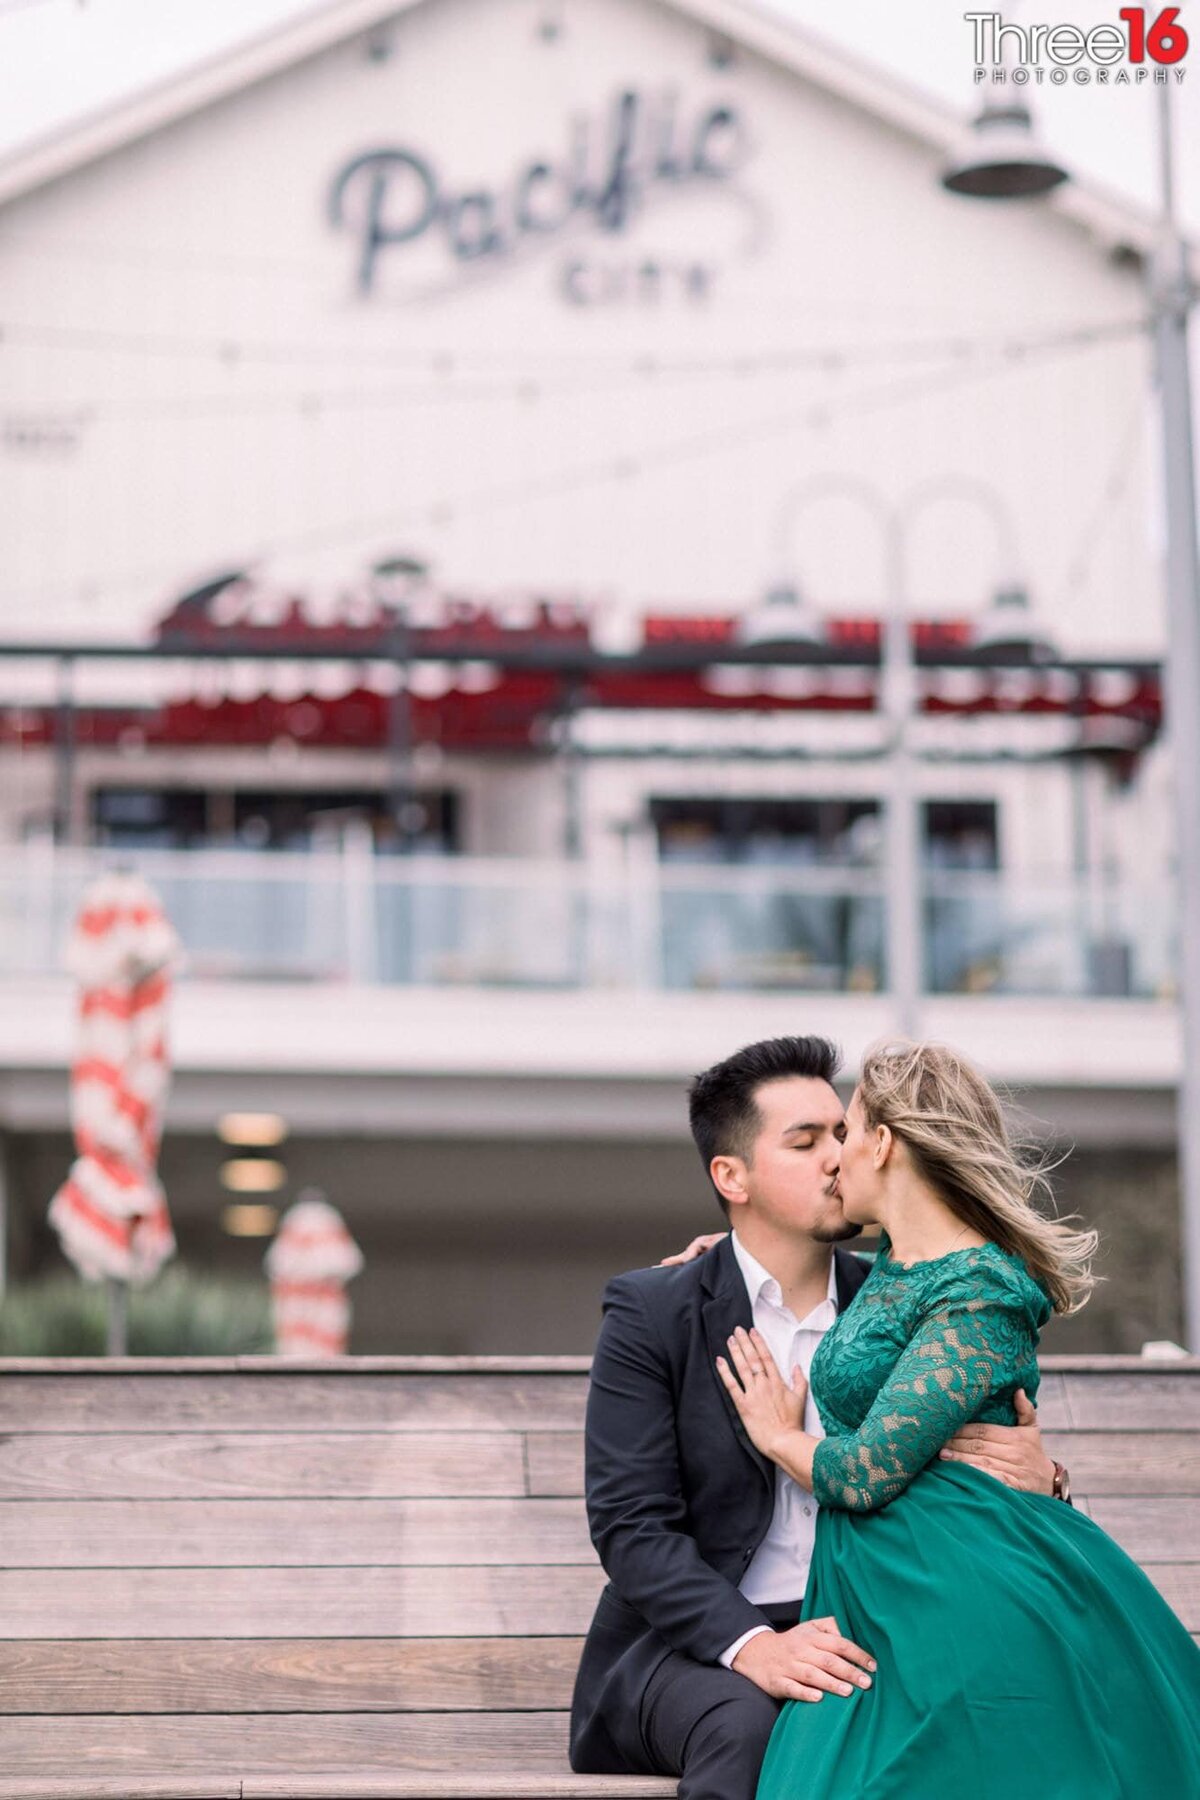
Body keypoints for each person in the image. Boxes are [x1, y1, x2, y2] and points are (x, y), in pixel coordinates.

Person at [568, 1035, 1063, 1800]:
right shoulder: (656, 1311)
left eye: (842, 1132)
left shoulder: (902, 1301)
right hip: (696, 1649)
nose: (838, 1155)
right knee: (755, 1730)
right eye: (805, 1142)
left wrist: (1042, 1479)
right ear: (731, 1176)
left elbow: (977, 1449)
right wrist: (753, 1644)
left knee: (989, 1711)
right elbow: (633, 1527)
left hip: (877, 1618)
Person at [717, 1038, 1200, 1798]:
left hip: (961, 1591)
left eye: (845, 1132)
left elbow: (866, 1471)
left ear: (885, 1142)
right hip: (882, 1592)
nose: (834, 1158)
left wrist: (779, 1436)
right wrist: (717, 1253)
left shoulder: (983, 1286)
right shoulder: (890, 1265)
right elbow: (796, 1267)